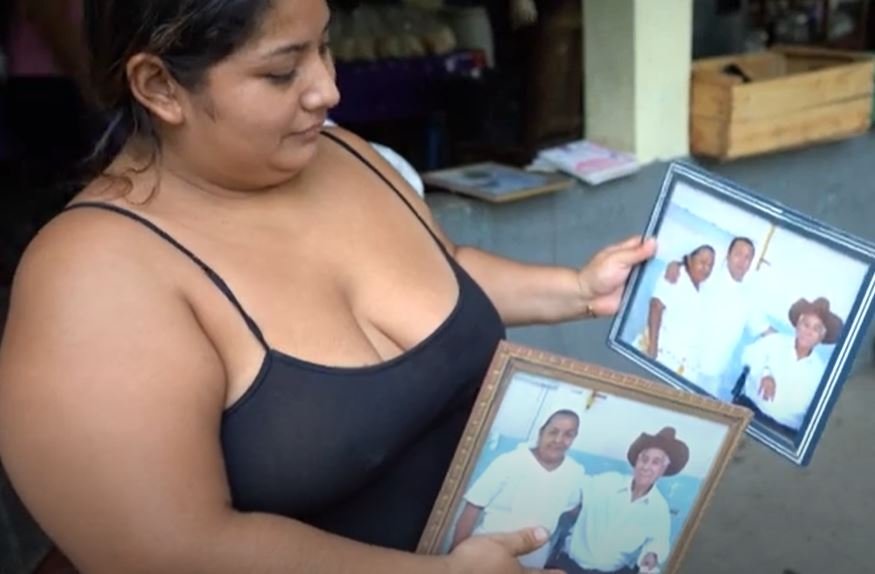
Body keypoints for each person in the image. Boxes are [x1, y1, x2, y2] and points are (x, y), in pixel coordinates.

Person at [0, 1, 656, 572]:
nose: (326, 90)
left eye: (325, 46)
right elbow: (169, 552)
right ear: (159, 85)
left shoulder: (341, 154)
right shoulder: (92, 280)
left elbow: (441, 270)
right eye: (282, 70)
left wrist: (574, 287)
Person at [451, 409, 587, 568]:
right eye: (553, 432)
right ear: (541, 432)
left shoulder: (575, 472)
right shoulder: (509, 461)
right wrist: (456, 555)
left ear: (574, 438)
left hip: (533, 562)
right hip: (488, 553)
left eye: (568, 435)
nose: (558, 440)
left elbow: (570, 508)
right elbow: (473, 507)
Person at [548, 427, 688, 574]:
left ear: (663, 469)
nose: (646, 467)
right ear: (636, 461)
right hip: (567, 566)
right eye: (644, 459)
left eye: (655, 462)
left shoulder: (659, 508)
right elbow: (574, 488)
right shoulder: (608, 482)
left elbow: (658, 541)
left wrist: (652, 555)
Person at [664, 237, 774, 399]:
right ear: (728, 256)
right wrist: (674, 265)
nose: (742, 261)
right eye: (738, 254)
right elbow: (685, 263)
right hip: (682, 366)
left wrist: (769, 371)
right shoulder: (709, 275)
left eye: (747, 257)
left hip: (711, 378)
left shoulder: (749, 298)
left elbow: (768, 335)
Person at [734, 297, 843, 435]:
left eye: (816, 329)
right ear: (798, 324)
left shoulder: (821, 373)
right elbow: (747, 355)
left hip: (784, 432)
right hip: (748, 411)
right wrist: (766, 374)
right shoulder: (775, 341)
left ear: (822, 337)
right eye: (806, 324)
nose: (808, 332)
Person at [645, 245, 715, 378]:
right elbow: (655, 307)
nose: (706, 268)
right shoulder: (675, 275)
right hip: (660, 355)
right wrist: (652, 347)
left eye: (710, 266)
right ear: (689, 260)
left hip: (681, 365)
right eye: (702, 262)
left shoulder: (704, 288)